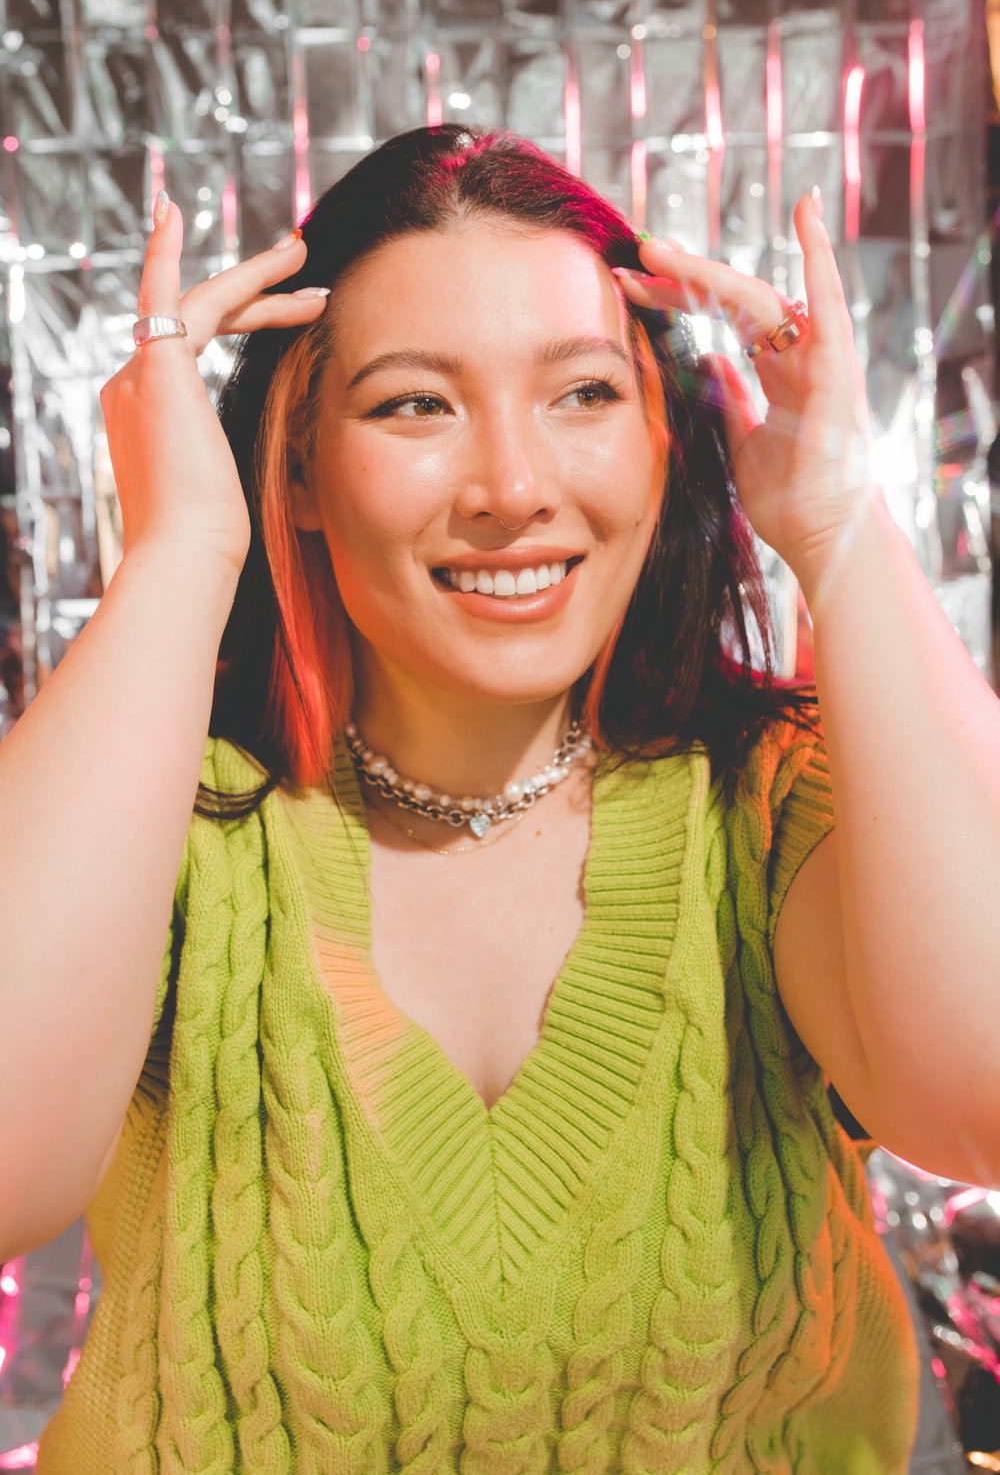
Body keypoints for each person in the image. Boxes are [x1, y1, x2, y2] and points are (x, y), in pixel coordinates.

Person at [2, 123, 998, 1473]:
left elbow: (981, 1104)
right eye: (416, 405)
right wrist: (179, 548)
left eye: (583, 392)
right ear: (295, 467)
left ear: (663, 436)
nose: (514, 490)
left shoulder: (776, 808)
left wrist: (838, 521)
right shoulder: (167, 827)